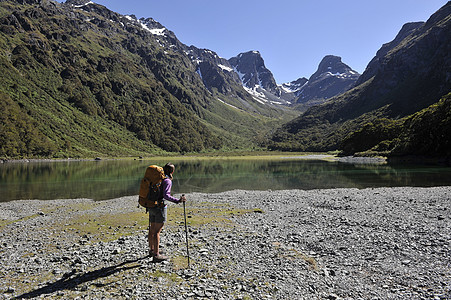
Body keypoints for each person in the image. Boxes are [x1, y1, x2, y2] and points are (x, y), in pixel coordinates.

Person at [148, 163, 186, 262]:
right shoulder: (167, 181)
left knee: (152, 229)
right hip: (159, 207)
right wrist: (177, 200)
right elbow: (166, 195)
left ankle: (152, 249)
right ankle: (156, 255)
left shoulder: (157, 179)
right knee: (157, 231)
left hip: (151, 205)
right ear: (172, 171)